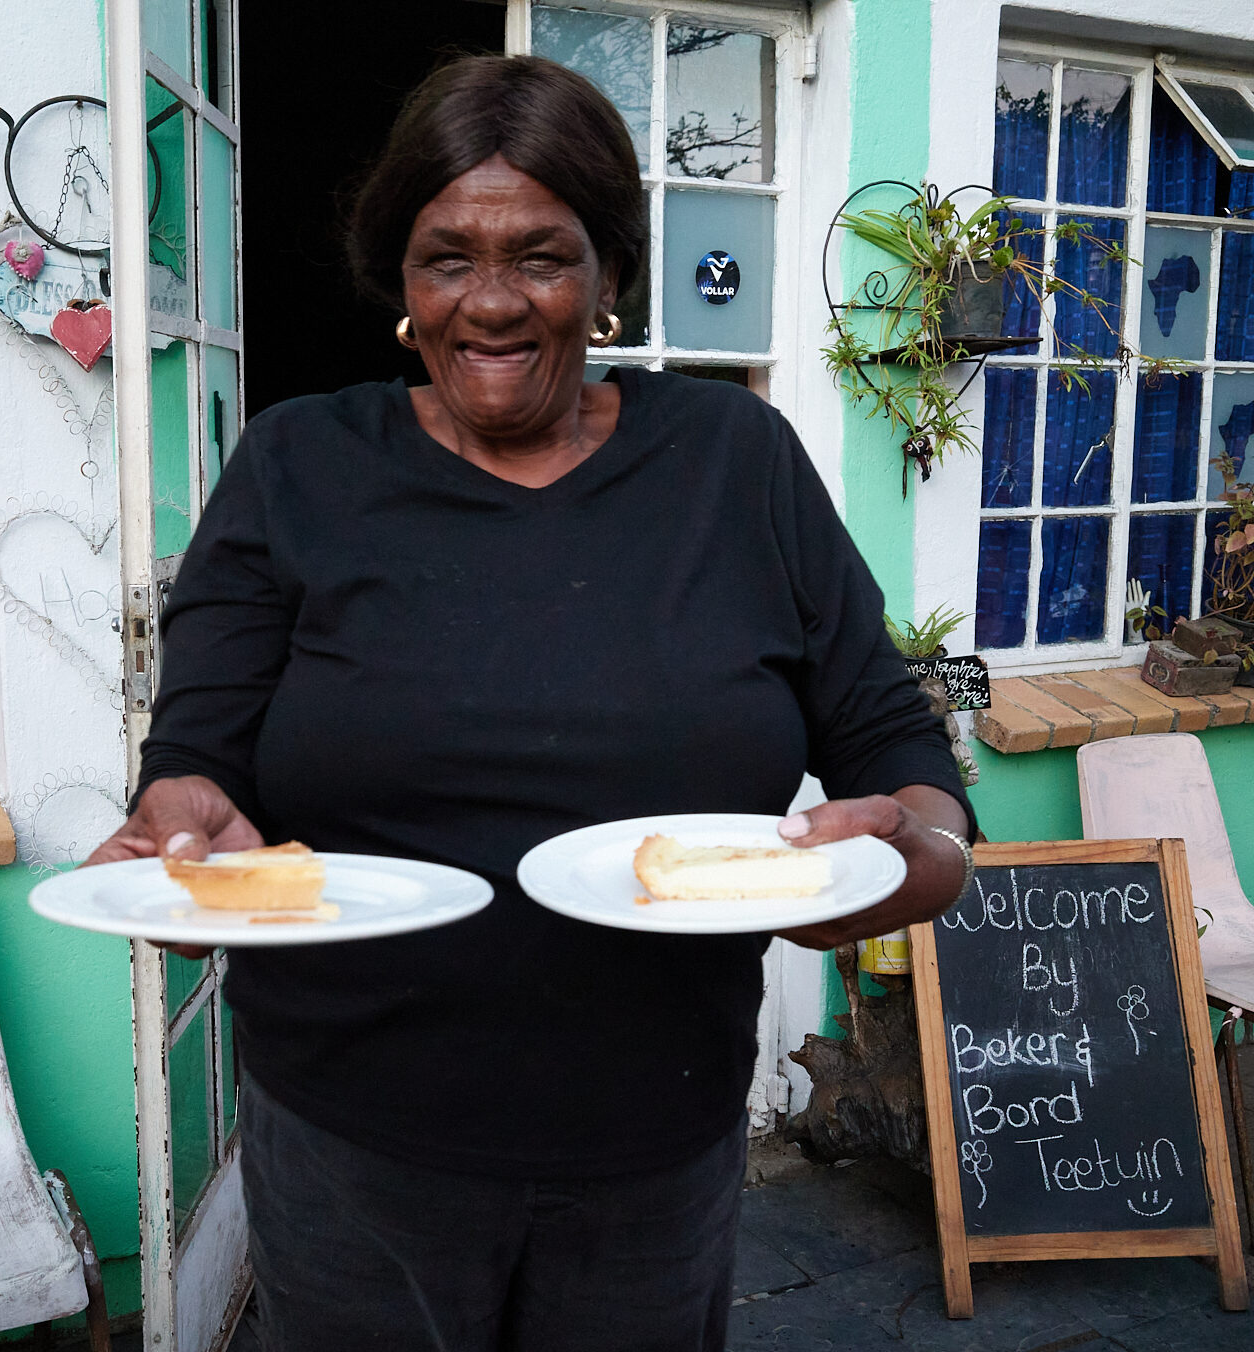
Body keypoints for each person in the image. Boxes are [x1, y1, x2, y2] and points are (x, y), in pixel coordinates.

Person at [87, 54, 975, 1352]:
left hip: (654, 1143)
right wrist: (180, 838)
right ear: (400, 278)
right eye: (447, 256)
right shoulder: (298, 466)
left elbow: (892, 736)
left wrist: (924, 851)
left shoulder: (737, 465)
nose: (490, 304)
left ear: (610, 275)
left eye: (542, 256)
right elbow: (198, 763)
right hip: (352, 1145)